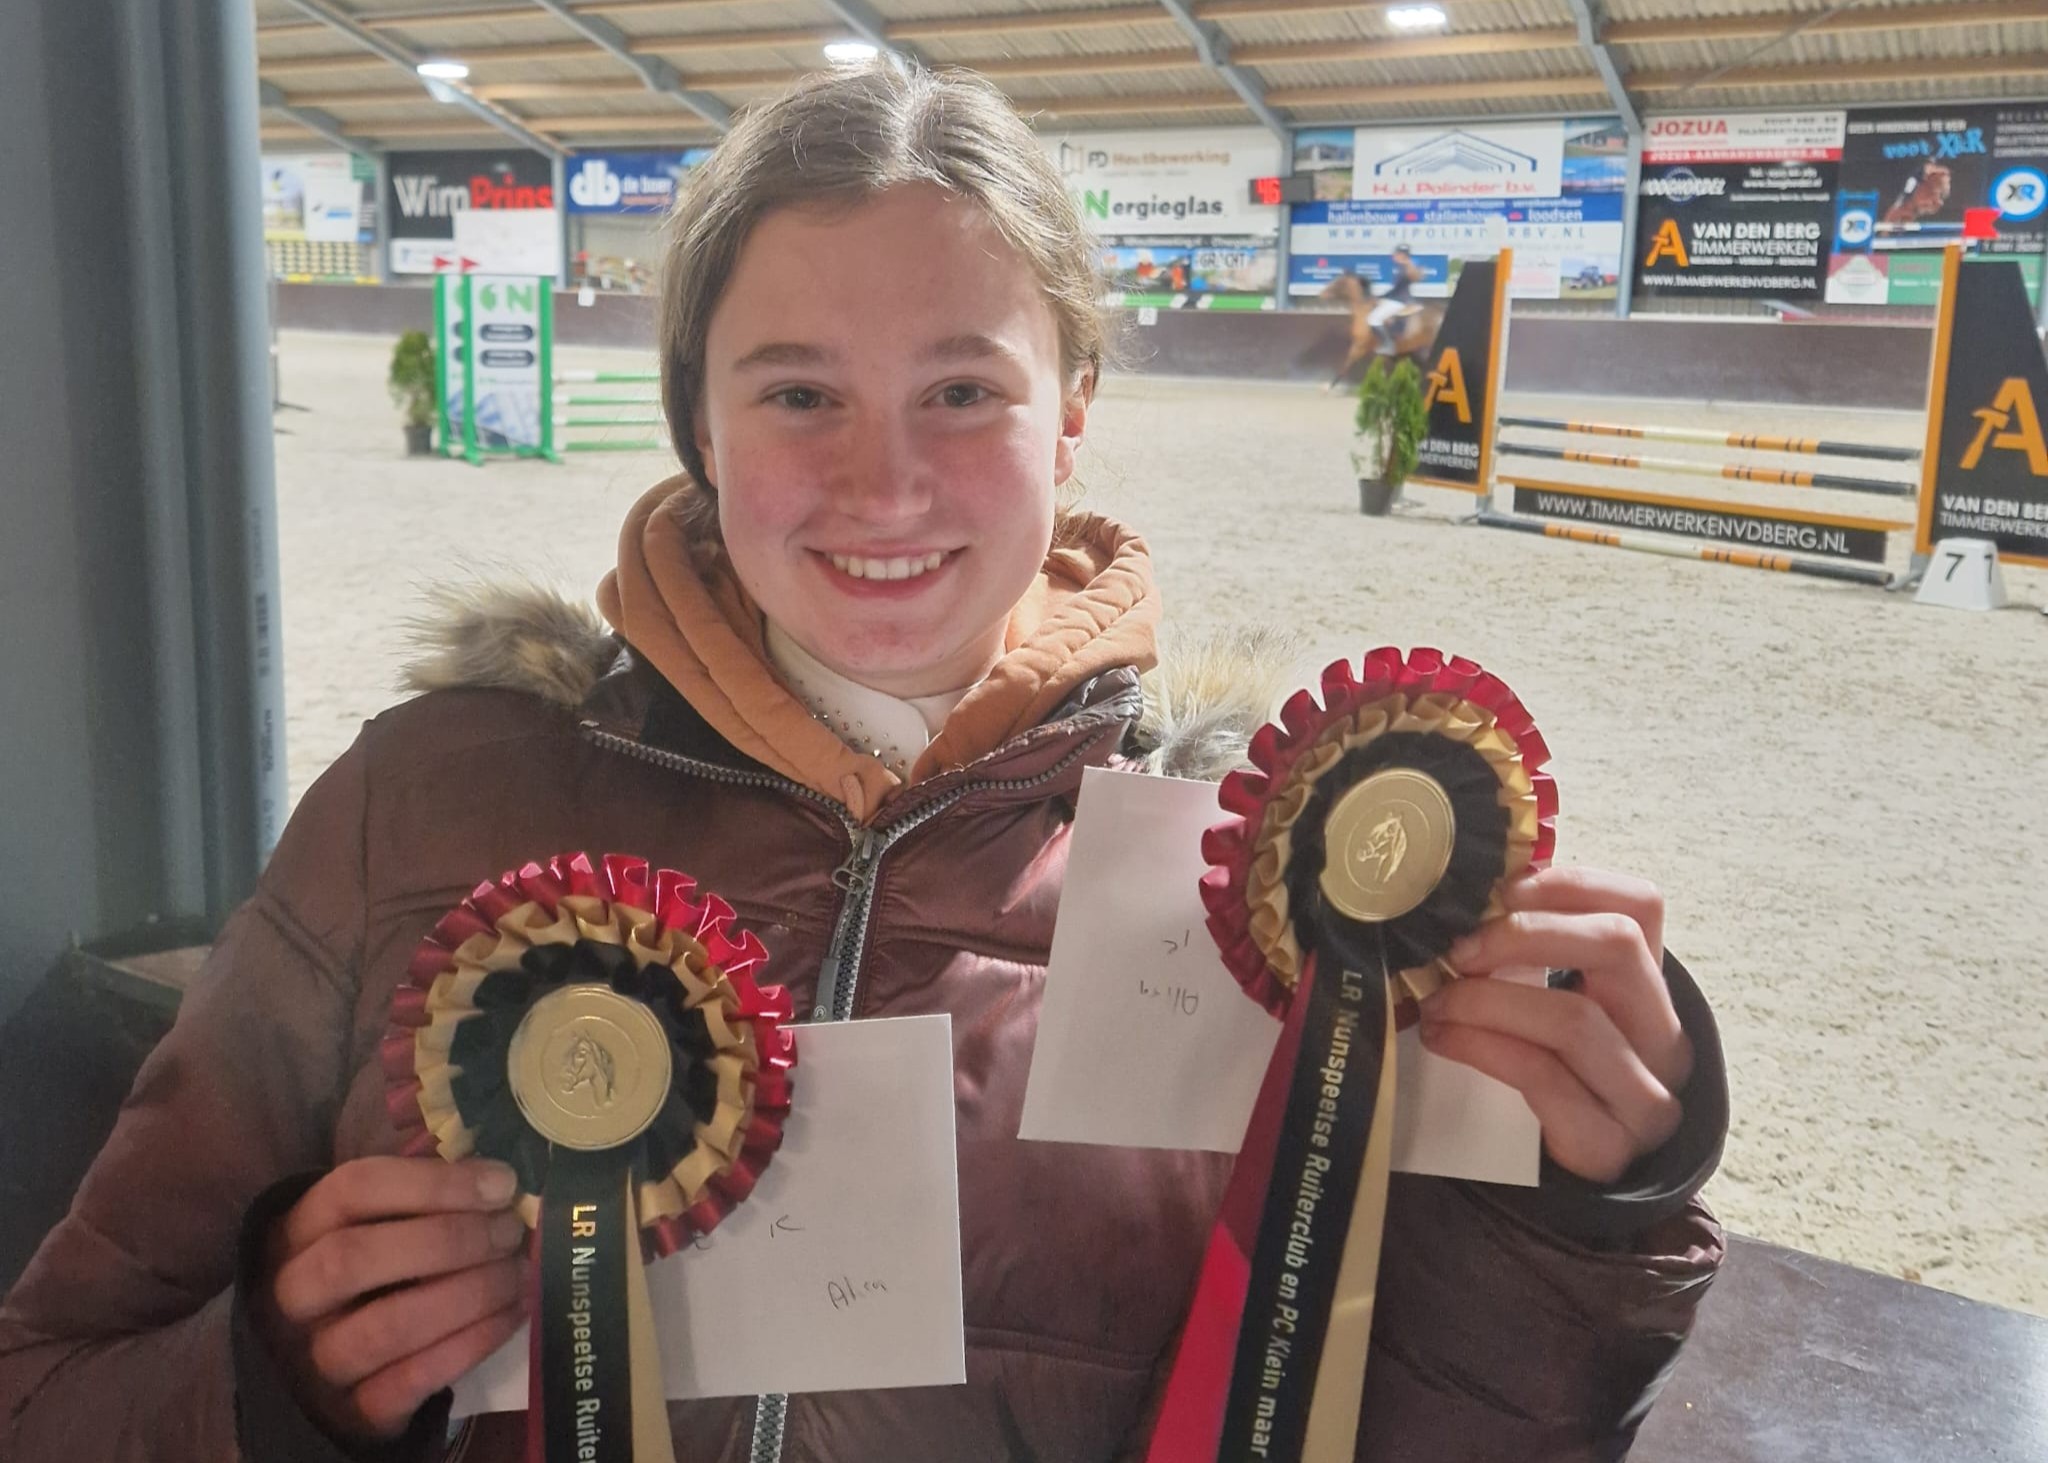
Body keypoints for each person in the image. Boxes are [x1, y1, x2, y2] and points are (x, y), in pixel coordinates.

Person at [0, 64, 1726, 1463]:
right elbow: (52, 1383)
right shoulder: (418, 802)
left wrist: (1583, 1208)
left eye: (963, 392)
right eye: (798, 394)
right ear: (696, 421)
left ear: (1071, 413)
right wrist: (274, 1377)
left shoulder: (1267, 892)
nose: (884, 485)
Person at [1366, 243, 1424, 355]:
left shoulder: (1405, 268)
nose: (1394, 256)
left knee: (1372, 319)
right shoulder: (1402, 267)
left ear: (1402, 255)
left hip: (1398, 301)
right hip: (1397, 298)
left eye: (1396, 254)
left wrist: (1381, 297)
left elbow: (1397, 289)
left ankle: (1389, 345)